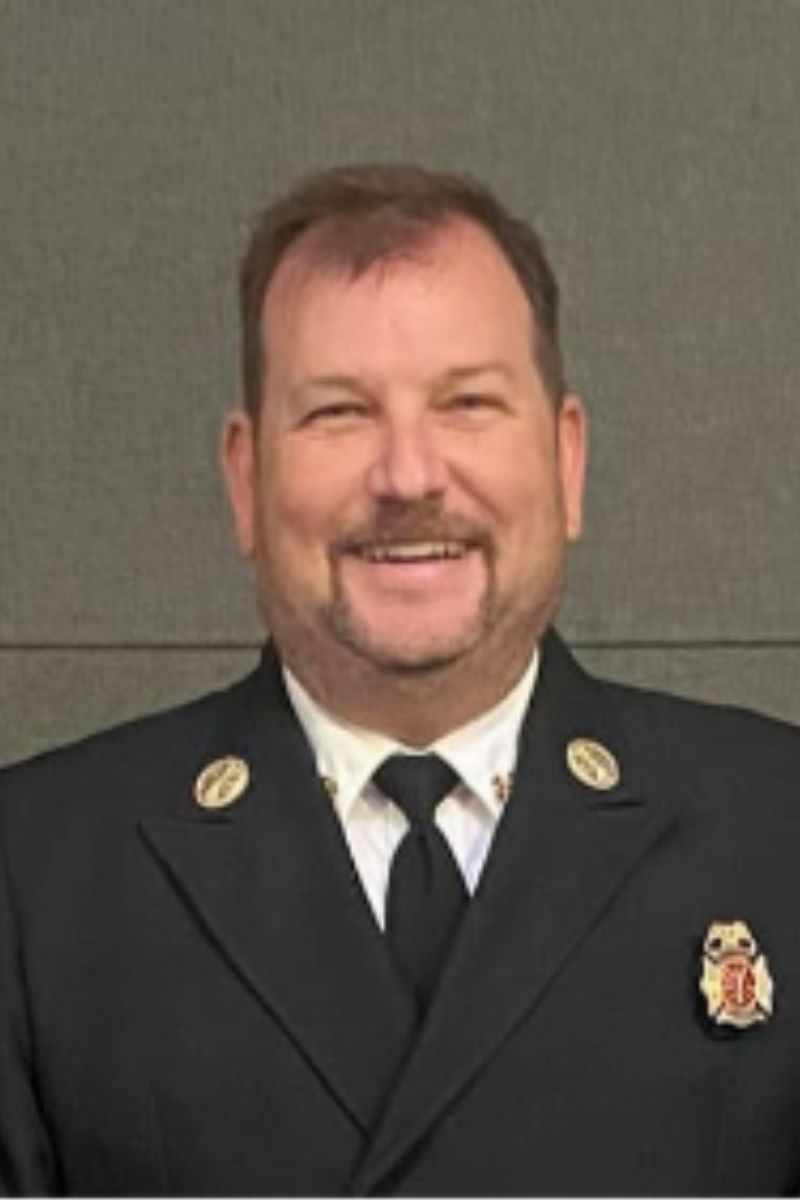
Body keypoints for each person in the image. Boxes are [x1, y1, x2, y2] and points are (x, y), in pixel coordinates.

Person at [1, 164, 799, 1198]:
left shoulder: (776, 833)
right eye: (338, 413)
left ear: (565, 463)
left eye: (467, 403)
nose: (409, 475)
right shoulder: (34, 878)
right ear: (245, 481)